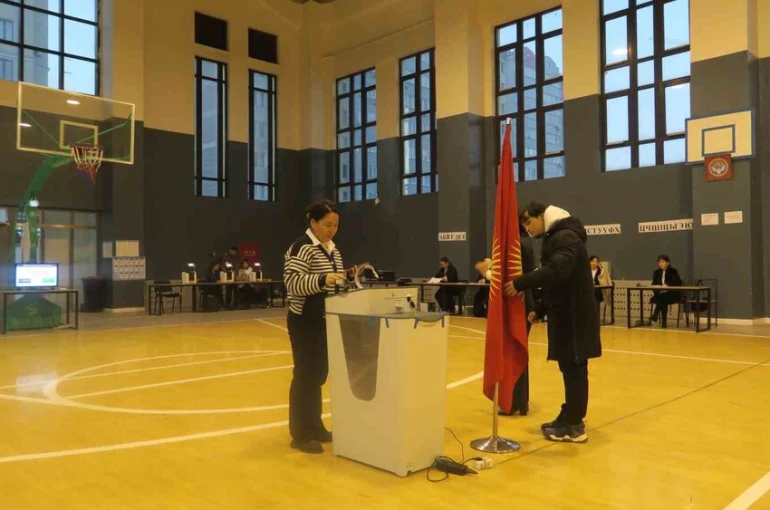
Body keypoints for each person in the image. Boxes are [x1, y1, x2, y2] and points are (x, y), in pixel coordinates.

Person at [505, 202, 601, 443]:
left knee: (575, 369)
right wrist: (540, 308)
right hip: (567, 315)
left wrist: (519, 283)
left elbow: (557, 271)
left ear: (542, 216)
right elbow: (558, 282)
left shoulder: (565, 236)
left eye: (528, 221)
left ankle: (575, 426)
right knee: (569, 368)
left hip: (575, 317)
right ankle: (569, 414)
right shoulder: (558, 236)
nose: (526, 227)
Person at [283, 199, 348, 454]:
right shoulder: (302, 248)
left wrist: (344, 282)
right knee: (305, 377)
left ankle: (315, 426)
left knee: (318, 376)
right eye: (327, 224)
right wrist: (323, 279)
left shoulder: (333, 249)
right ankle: (300, 434)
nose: (332, 230)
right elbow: (293, 285)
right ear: (313, 223)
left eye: (336, 225)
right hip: (304, 322)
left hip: (325, 321)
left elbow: (336, 283)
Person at [500, 223, 537, 416]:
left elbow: (512, 277)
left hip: (519, 303)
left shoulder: (518, 245)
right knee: (519, 352)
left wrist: (487, 272)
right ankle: (521, 401)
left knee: (515, 353)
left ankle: (514, 402)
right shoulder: (526, 242)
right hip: (526, 301)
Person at [649, 254, 682, 328]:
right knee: (662, 298)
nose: (660, 264)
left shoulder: (673, 271)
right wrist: (657, 288)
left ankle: (655, 314)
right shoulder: (656, 272)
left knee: (662, 298)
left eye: (662, 262)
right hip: (660, 294)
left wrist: (668, 286)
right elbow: (653, 284)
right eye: (659, 262)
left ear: (667, 263)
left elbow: (677, 282)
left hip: (672, 294)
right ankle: (663, 322)